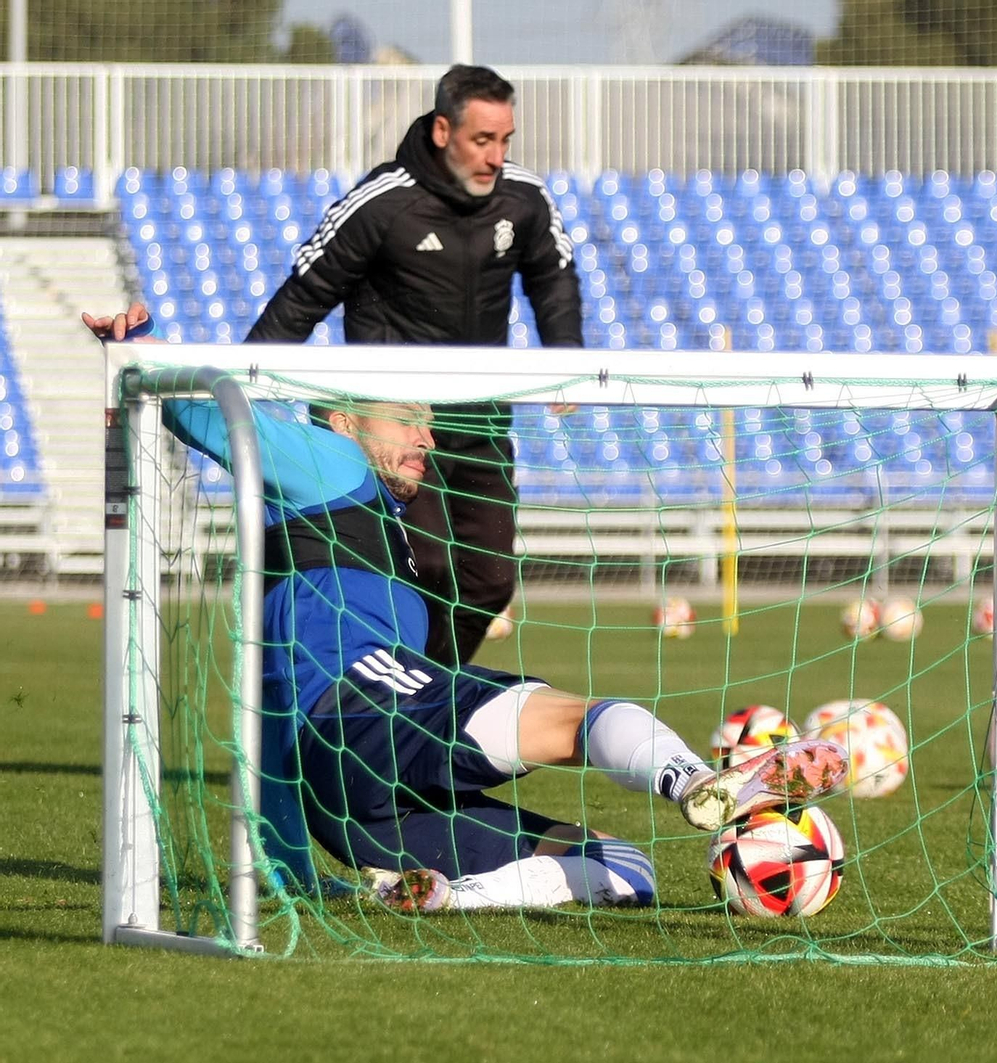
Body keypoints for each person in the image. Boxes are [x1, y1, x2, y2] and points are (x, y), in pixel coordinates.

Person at [85, 304, 844, 913]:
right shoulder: (332, 462)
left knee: (623, 866)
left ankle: (449, 895)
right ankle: (695, 781)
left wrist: (294, 872)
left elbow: (276, 726)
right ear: (343, 419)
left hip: (356, 809)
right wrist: (142, 349)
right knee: (572, 719)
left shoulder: (349, 532)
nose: (427, 434)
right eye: (407, 418)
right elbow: (215, 418)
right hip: (365, 716)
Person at [245, 63, 583, 670]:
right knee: (423, 566)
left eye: (505, 140)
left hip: (480, 419)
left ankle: (428, 692)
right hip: (392, 421)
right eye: (483, 140)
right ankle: (401, 697)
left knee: (488, 582)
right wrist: (247, 374)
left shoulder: (524, 196)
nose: (496, 156)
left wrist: (567, 351)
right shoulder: (383, 202)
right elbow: (306, 291)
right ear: (443, 131)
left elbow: (553, 274)